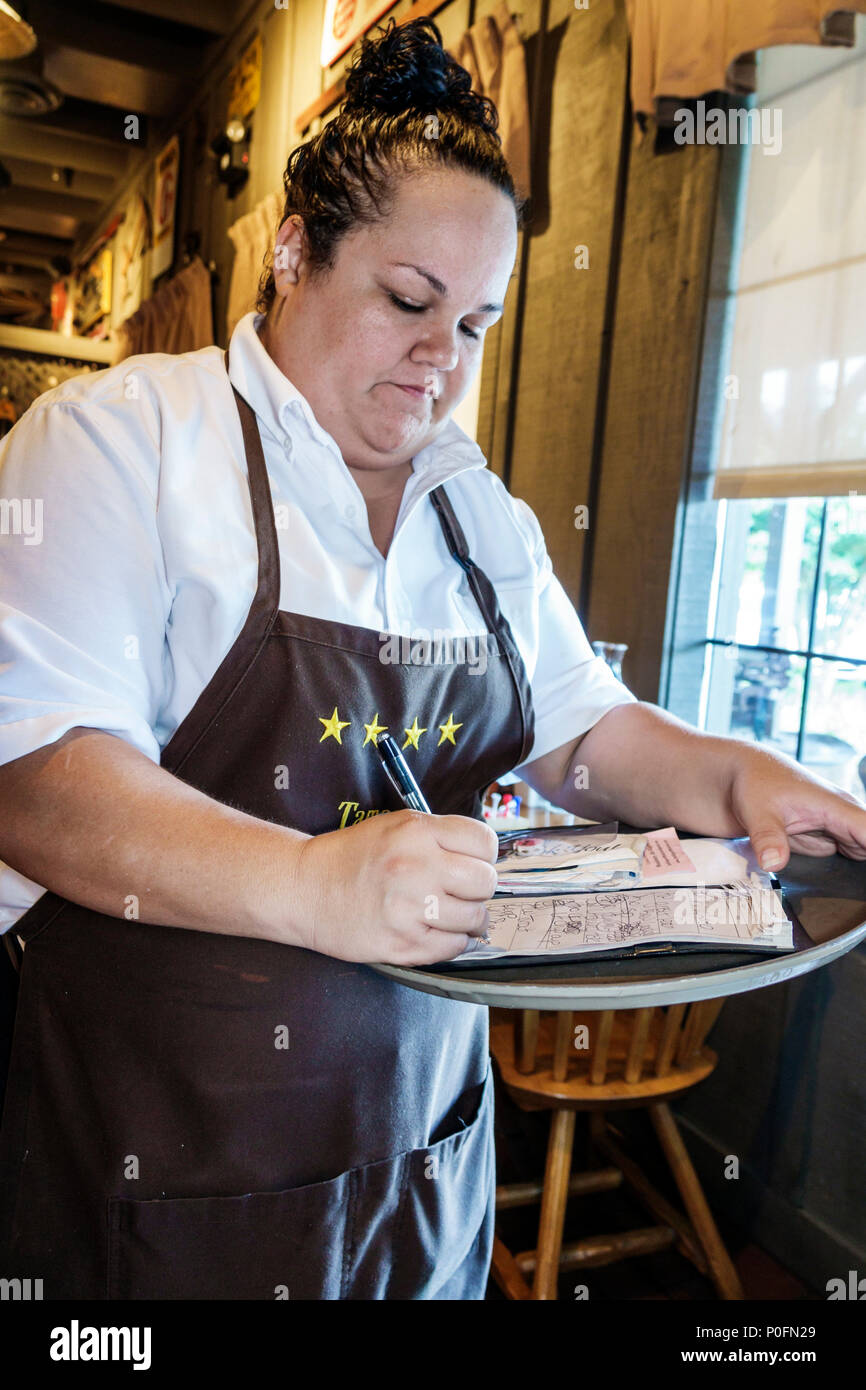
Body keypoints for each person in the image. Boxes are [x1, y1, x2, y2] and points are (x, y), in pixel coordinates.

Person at [0, 18, 864, 1303]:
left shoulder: (480, 515)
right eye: (408, 302)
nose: (442, 360)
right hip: (158, 1168)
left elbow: (584, 734)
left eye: (475, 322)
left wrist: (736, 779)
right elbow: (40, 781)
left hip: (416, 1150)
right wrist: (309, 884)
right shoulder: (124, 443)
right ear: (293, 249)